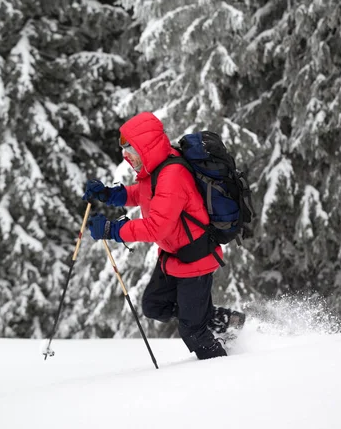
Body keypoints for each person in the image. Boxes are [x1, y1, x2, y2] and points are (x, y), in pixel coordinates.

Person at [84, 111, 245, 360]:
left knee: (193, 331)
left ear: (145, 148)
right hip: (174, 256)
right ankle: (229, 321)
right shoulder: (158, 166)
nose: (127, 158)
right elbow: (144, 194)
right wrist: (110, 195)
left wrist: (112, 230)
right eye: (125, 152)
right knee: (154, 306)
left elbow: (156, 227)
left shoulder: (172, 174)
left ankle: (221, 372)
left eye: (131, 151)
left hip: (195, 259)